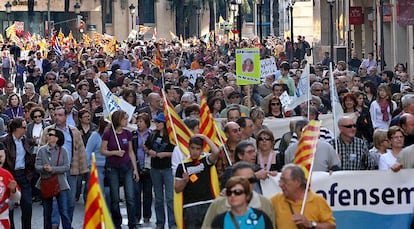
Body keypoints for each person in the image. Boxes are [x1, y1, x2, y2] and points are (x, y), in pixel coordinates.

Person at [202, 162, 275, 228]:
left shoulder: (265, 203)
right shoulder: (218, 204)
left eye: (251, 180)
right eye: (242, 180)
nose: (247, 184)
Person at [100, 110, 139, 229]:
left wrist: (135, 169)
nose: (127, 121)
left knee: (130, 197)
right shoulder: (108, 134)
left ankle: (132, 223)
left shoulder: (128, 133)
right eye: (125, 119)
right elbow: (103, 151)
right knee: (115, 198)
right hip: (113, 168)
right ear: (118, 120)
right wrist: (114, 153)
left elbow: (131, 151)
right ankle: (117, 223)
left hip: (127, 167)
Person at [174, 134, 220, 229]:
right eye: (192, 148)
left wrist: (205, 138)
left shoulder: (205, 161)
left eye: (198, 149)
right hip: (190, 206)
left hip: (208, 203)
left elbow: (216, 152)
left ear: (202, 149)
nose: (195, 151)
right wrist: (184, 181)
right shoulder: (182, 166)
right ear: (188, 148)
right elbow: (177, 189)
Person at [270, 164, 336, 229]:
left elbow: (332, 226)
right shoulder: (275, 201)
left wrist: (310, 224)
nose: (281, 185)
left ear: (298, 182)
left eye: (285, 181)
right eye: (280, 180)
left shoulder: (317, 200)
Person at [0, 117, 34, 229]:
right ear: (16, 128)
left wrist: (29, 174)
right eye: (23, 127)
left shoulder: (26, 141)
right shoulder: (4, 141)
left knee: (28, 206)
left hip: (24, 175)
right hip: (10, 175)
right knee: (8, 207)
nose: (26, 129)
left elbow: (30, 159)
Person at [144, 113, 176, 229]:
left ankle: (172, 223)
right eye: (156, 122)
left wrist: (165, 154)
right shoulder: (152, 134)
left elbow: (178, 151)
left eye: (159, 122)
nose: (156, 124)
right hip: (155, 168)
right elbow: (146, 146)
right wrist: (149, 152)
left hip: (167, 168)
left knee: (170, 198)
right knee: (158, 198)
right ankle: (160, 223)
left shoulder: (172, 137)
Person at [35, 128, 71, 229]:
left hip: (61, 184)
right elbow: (37, 166)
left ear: (57, 138)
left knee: (64, 211)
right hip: (46, 183)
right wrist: (43, 168)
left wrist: (53, 169)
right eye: (48, 134)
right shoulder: (41, 150)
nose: (48, 136)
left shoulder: (63, 150)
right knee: (47, 212)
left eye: (51, 134)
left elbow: (67, 167)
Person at [131, 113, 153, 224]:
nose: (139, 124)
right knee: (136, 192)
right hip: (137, 166)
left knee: (148, 192)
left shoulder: (151, 134)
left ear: (146, 123)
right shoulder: (133, 134)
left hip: (148, 166)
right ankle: (136, 216)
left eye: (141, 122)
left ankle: (147, 215)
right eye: (138, 121)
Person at [0, 142, 21, 229]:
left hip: (2, 217)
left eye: (1, 157)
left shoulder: (6, 174)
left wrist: (13, 190)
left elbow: (16, 198)